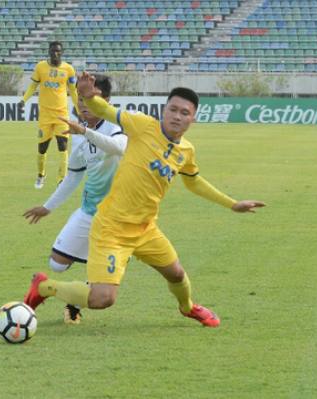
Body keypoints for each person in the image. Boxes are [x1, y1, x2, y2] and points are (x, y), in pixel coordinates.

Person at [21, 71, 266, 328]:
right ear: (164, 110)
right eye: (173, 109)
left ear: (193, 119)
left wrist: (232, 203)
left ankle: (189, 308)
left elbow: (193, 181)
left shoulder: (186, 151)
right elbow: (102, 110)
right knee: (103, 298)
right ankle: (45, 286)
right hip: (111, 227)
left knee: (177, 273)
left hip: (146, 228)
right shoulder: (142, 125)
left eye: (185, 113)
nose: (177, 116)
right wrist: (88, 96)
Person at [22, 74, 127, 324]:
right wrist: (48, 207)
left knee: (101, 280)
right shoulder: (79, 135)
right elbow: (72, 177)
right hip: (89, 211)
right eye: (79, 98)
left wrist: (85, 132)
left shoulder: (119, 125)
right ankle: (61, 281)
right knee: (56, 264)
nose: (82, 104)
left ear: (107, 101)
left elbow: (119, 147)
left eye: (90, 98)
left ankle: (73, 303)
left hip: (119, 218)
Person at [17, 41, 79, 189]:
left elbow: (74, 91)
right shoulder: (40, 67)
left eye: (58, 51)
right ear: (49, 52)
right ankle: (41, 175)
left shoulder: (69, 69)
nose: (55, 54)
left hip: (61, 114)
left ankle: (62, 179)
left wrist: (79, 110)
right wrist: (23, 100)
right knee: (42, 148)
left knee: (62, 145)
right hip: (45, 113)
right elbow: (33, 86)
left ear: (62, 52)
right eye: (52, 51)